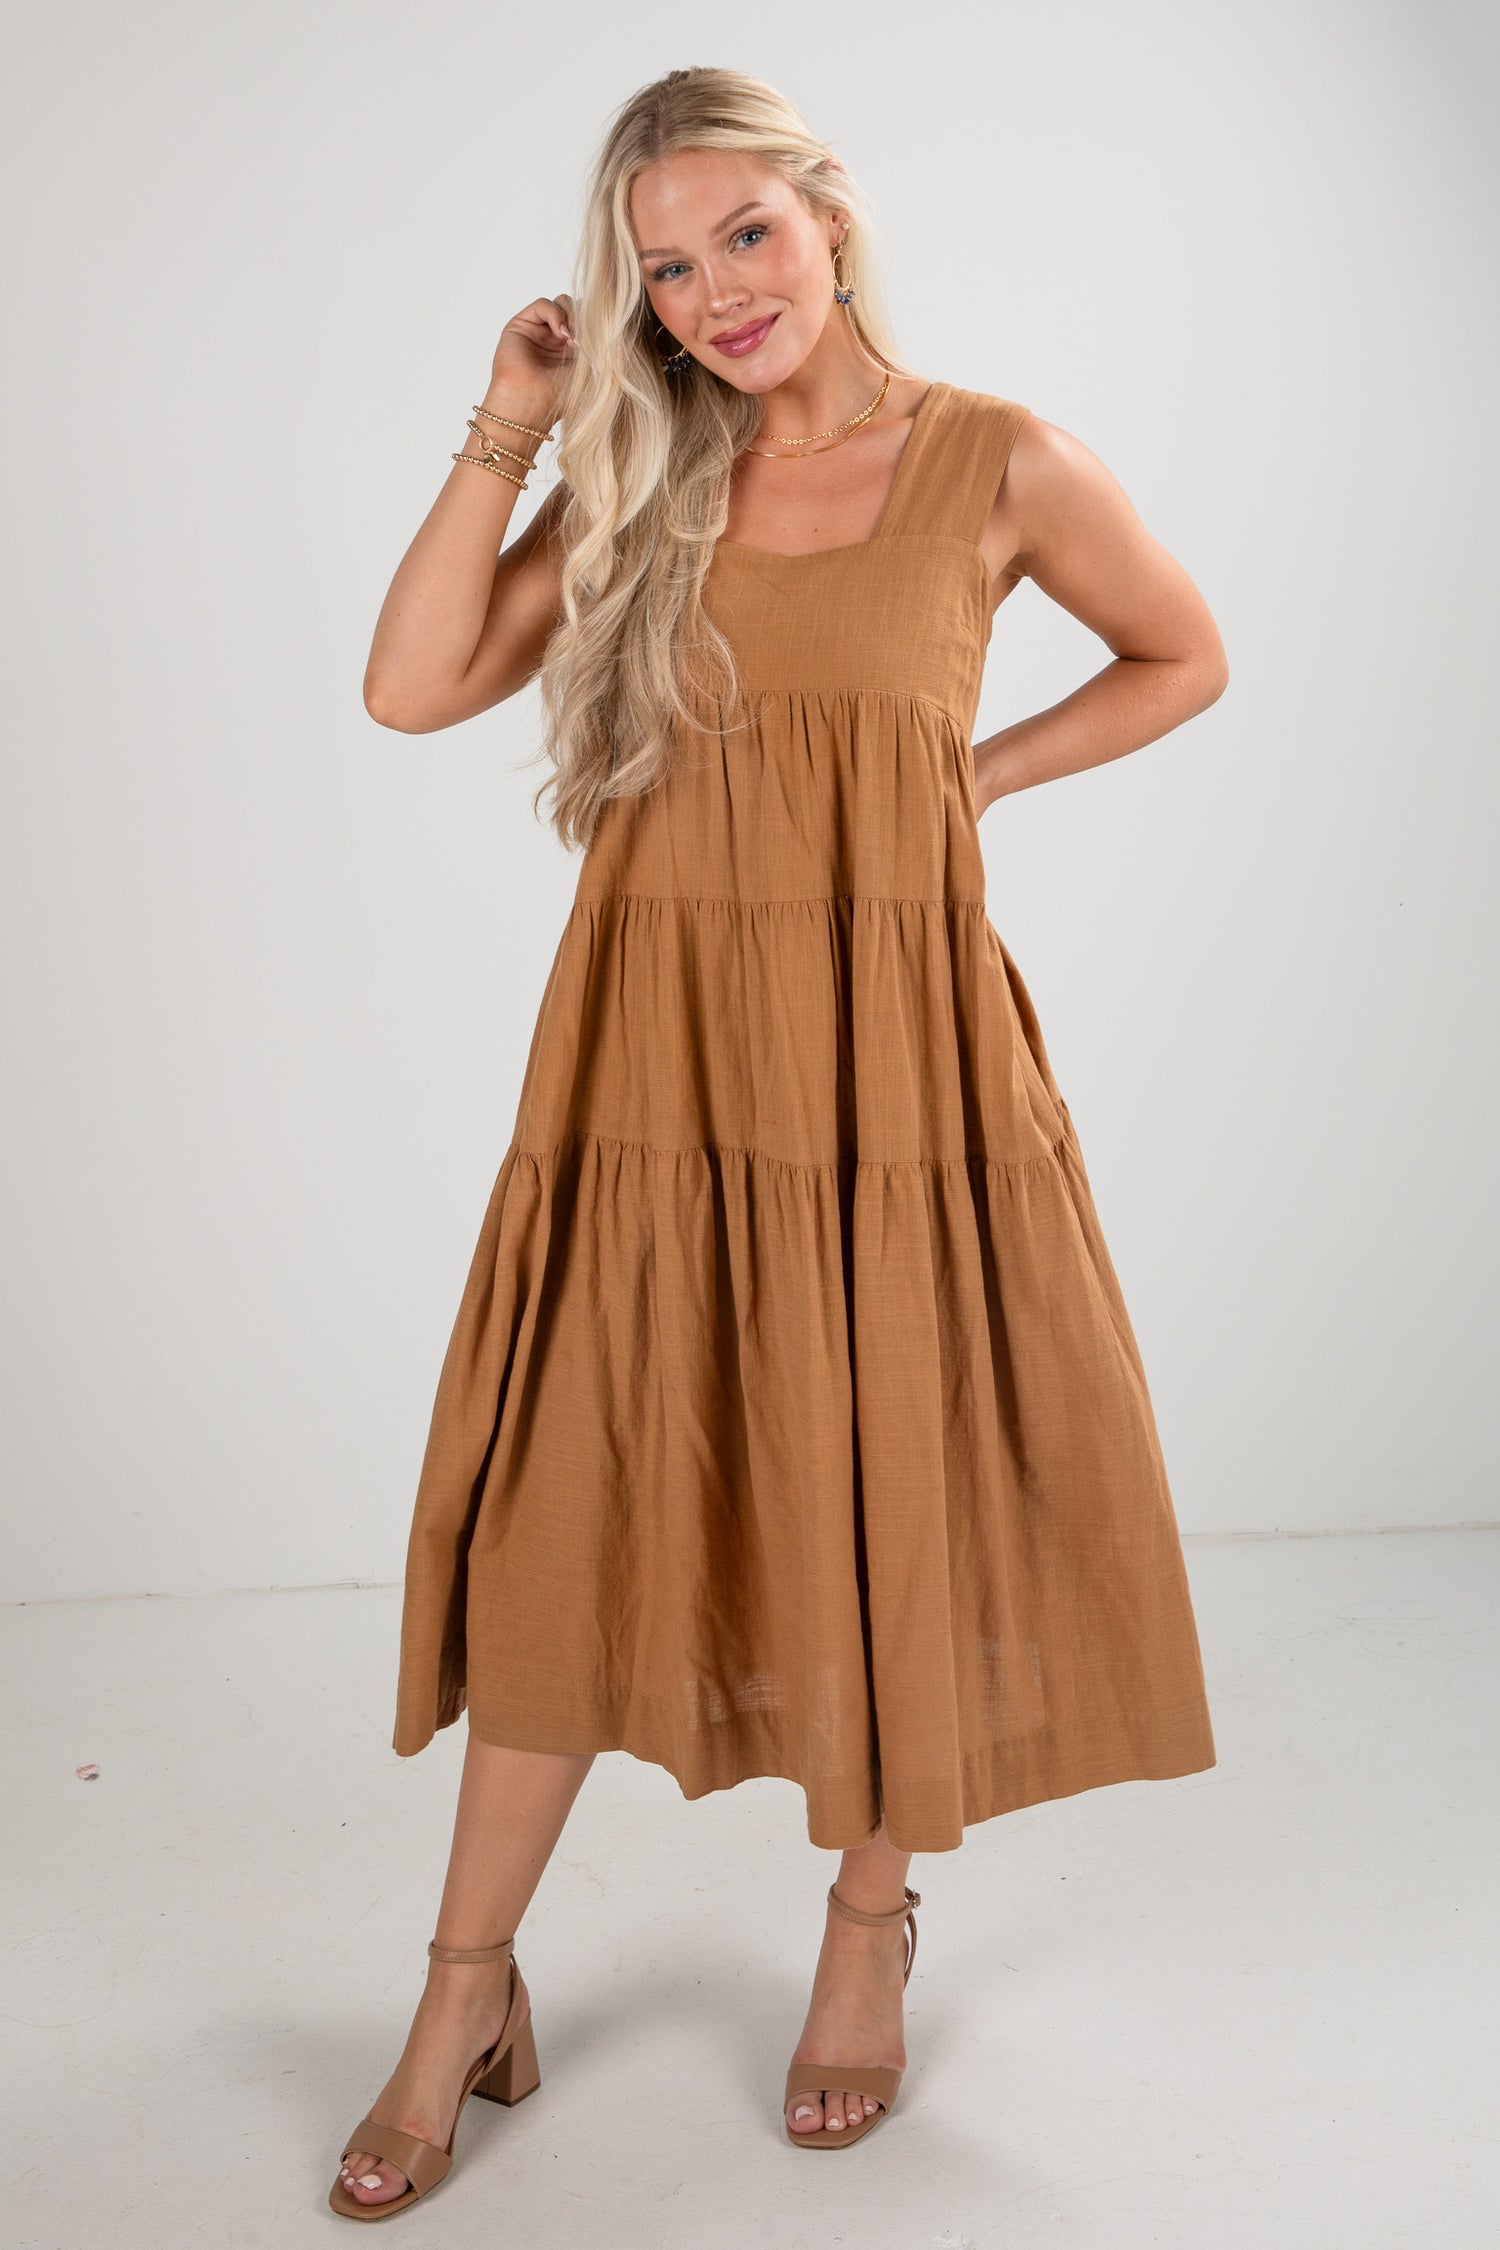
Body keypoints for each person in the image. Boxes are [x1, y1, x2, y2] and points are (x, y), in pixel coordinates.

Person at [331, 63, 1226, 2219]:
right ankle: (463, 1982)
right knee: (571, 1482)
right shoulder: (652, 471)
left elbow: (1183, 656)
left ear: (828, 216)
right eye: (662, 263)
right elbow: (410, 683)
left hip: (890, 1061)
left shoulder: (1000, 459)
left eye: (745, 233)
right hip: (652, 1059)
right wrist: (515, 422)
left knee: (874, 1460)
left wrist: (971, 794)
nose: (717, 290)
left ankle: (862, 1921)